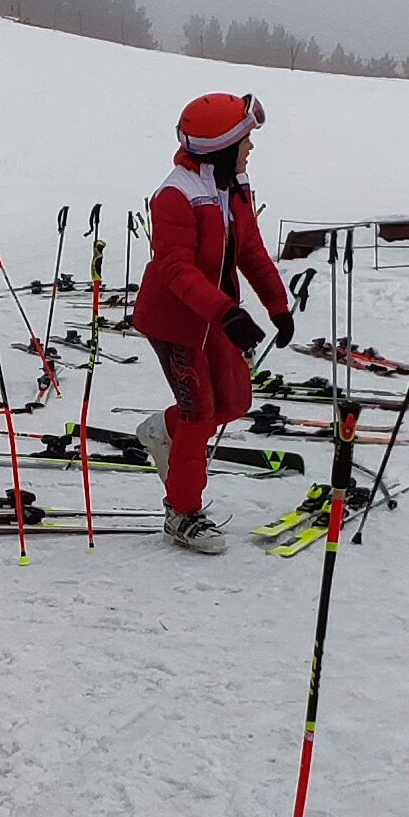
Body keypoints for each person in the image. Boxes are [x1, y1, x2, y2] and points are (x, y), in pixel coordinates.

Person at [132, 88, 293, 554]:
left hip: (217, 317)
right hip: (177, 320)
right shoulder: (175, 195)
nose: (251, 148)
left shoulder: (234, 188)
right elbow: (175, 269)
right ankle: (182, 513)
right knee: (199, 413)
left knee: (234, 401)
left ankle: (164, 430)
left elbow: (250, 252)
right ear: (223, 146)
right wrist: (227, 312)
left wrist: (277, 306)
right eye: (246, 139)